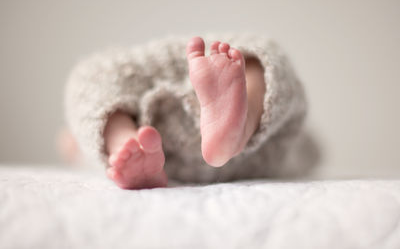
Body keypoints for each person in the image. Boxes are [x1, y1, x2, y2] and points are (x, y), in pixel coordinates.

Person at [62, 34, 311, 189]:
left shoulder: (79, 142)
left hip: (149, 117)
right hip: (254, 152)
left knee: (89, 79)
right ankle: (242, 123)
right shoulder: (301, 146)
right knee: (266, 58)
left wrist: (71, 143)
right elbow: (309, 149)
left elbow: (75, 132)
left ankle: (124, 142)